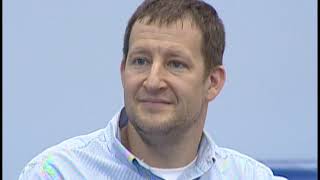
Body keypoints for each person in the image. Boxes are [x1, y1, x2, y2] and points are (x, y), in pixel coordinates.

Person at [19, 0, 287, 179]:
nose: (153, 81)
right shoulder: (59, 173)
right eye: (141, 61)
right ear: (123, 71)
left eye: (176, 64)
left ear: (213, 82)